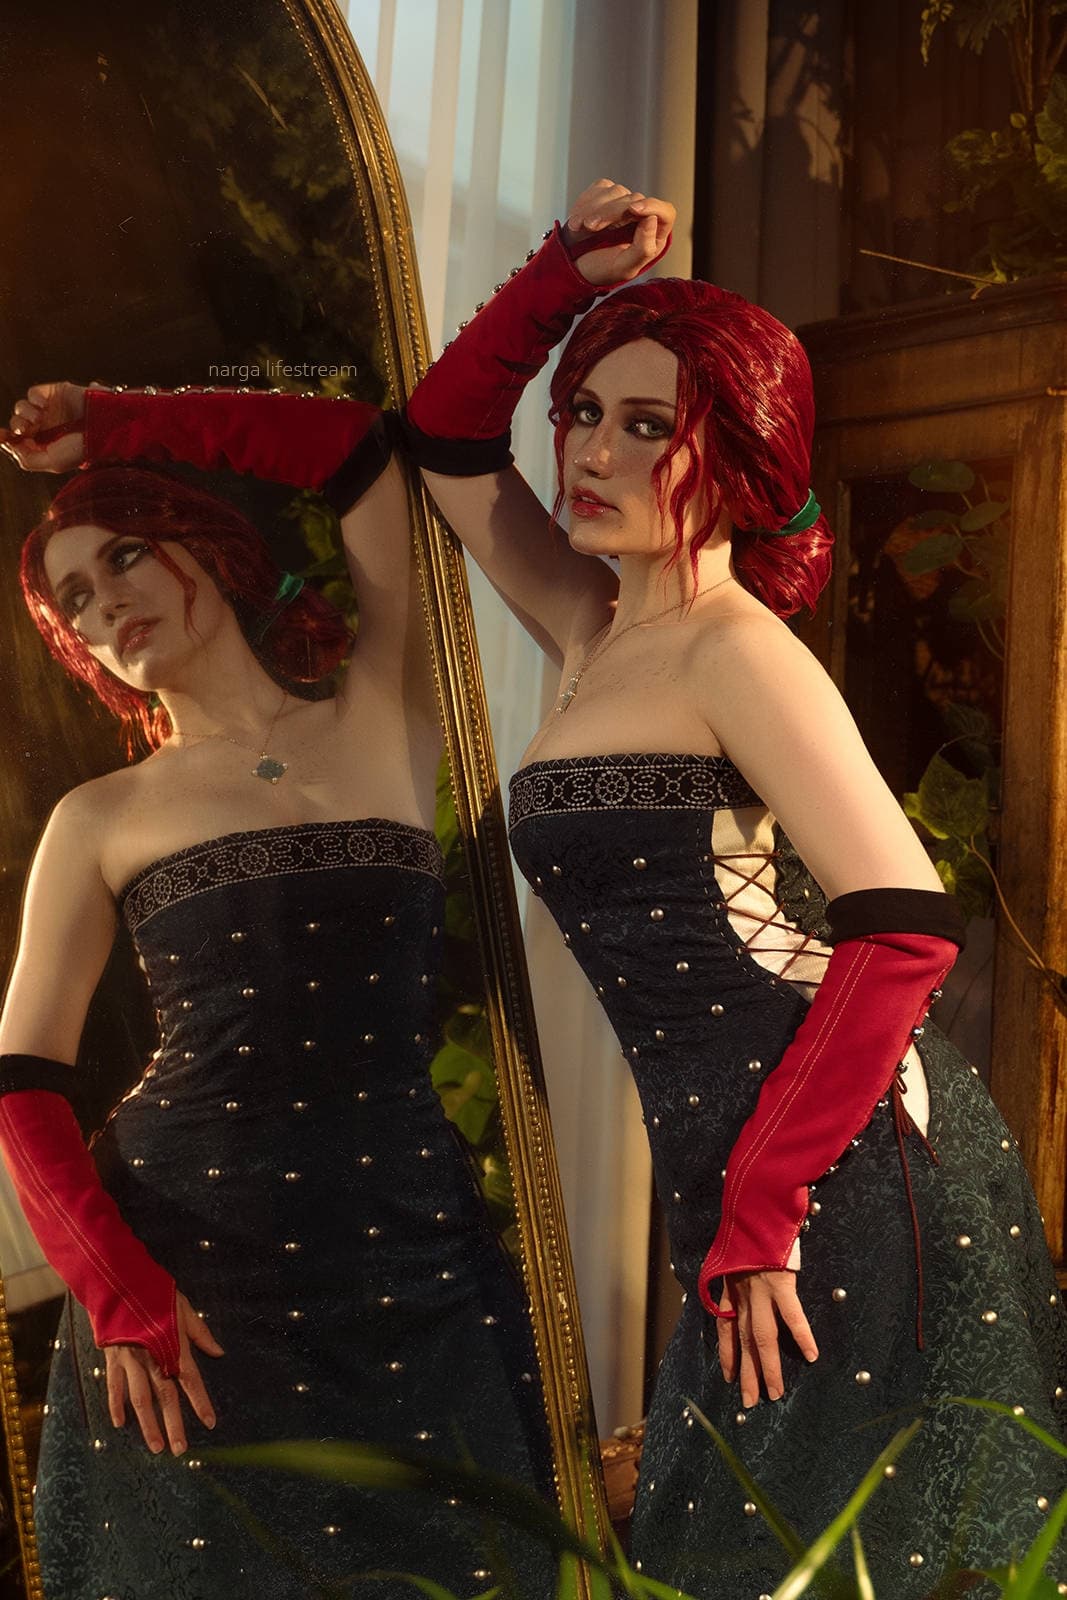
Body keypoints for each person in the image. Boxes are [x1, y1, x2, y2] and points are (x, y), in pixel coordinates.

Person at [397, 180, 1067, 1595]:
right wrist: (562, 275)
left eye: (649, 426)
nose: (592, 451)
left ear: (743, 454)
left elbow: (902, 926)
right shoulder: (591, 626)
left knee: (806, 1556)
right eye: (584, 411)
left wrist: (764, 1199)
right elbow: (445, 436)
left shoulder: (735, 651)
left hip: (834, 1154)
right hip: (735, 1158)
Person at [0, 396, 553, 1600]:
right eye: (74, 598)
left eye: (125, 554)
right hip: (193, 1278)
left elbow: (357, 449)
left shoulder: (384, 711)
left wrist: (111, 420)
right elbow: (21, 1084)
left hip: (416, 1248)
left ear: (200, 541)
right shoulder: (98, 817)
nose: (105, 603)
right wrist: (113, 1284)